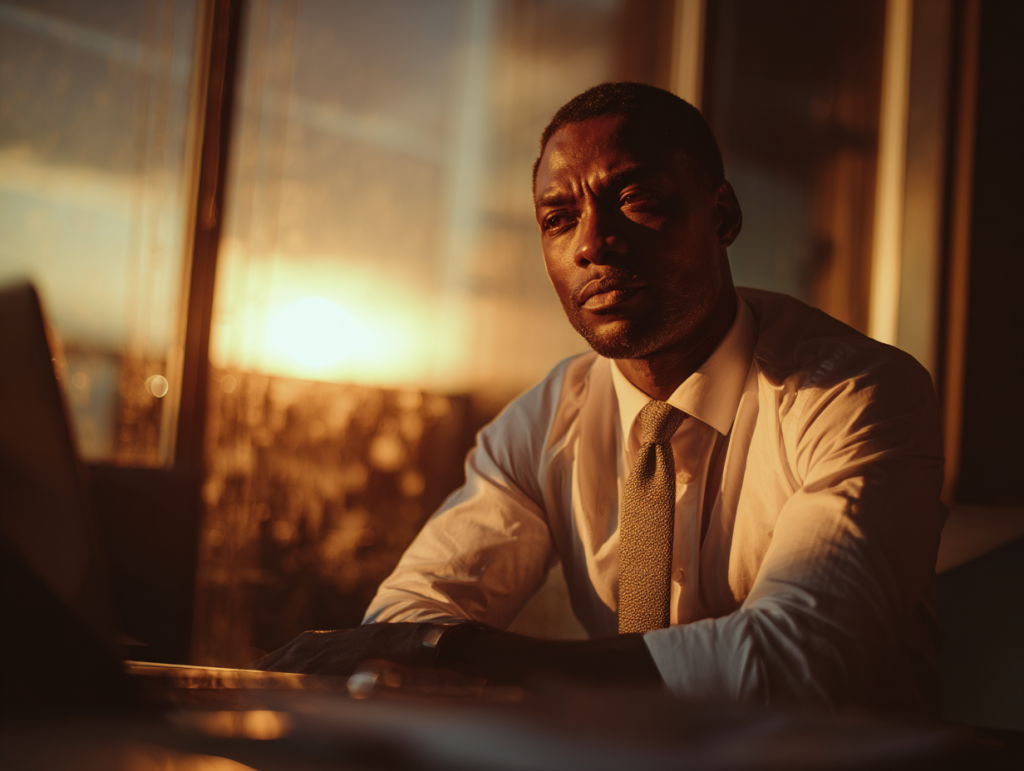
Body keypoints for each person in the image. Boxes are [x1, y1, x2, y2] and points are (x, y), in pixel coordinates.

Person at [252, 83, 944, 714]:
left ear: (722, 214)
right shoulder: (545, 420)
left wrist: (453, 650)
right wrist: (418, 646)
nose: (593, 243)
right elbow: (407, 619)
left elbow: (793, 663)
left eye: (636, 199)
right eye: (558, 217)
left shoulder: (855, 393)